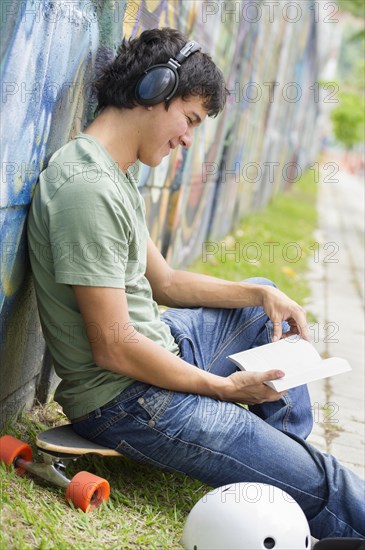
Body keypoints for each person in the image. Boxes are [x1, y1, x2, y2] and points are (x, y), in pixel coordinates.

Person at [27, 28, 365, 539]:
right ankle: (300, 483)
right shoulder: (86, 191)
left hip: (159, 354)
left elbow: (164, 282)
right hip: (131, 401)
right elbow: (115, 348)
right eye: (189, 119)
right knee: (328, 483)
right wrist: (223, 389)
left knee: (260, 307)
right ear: (152, 91)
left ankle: (278, 474)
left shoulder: (108, 172)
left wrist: (261, 294)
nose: (188, 138)